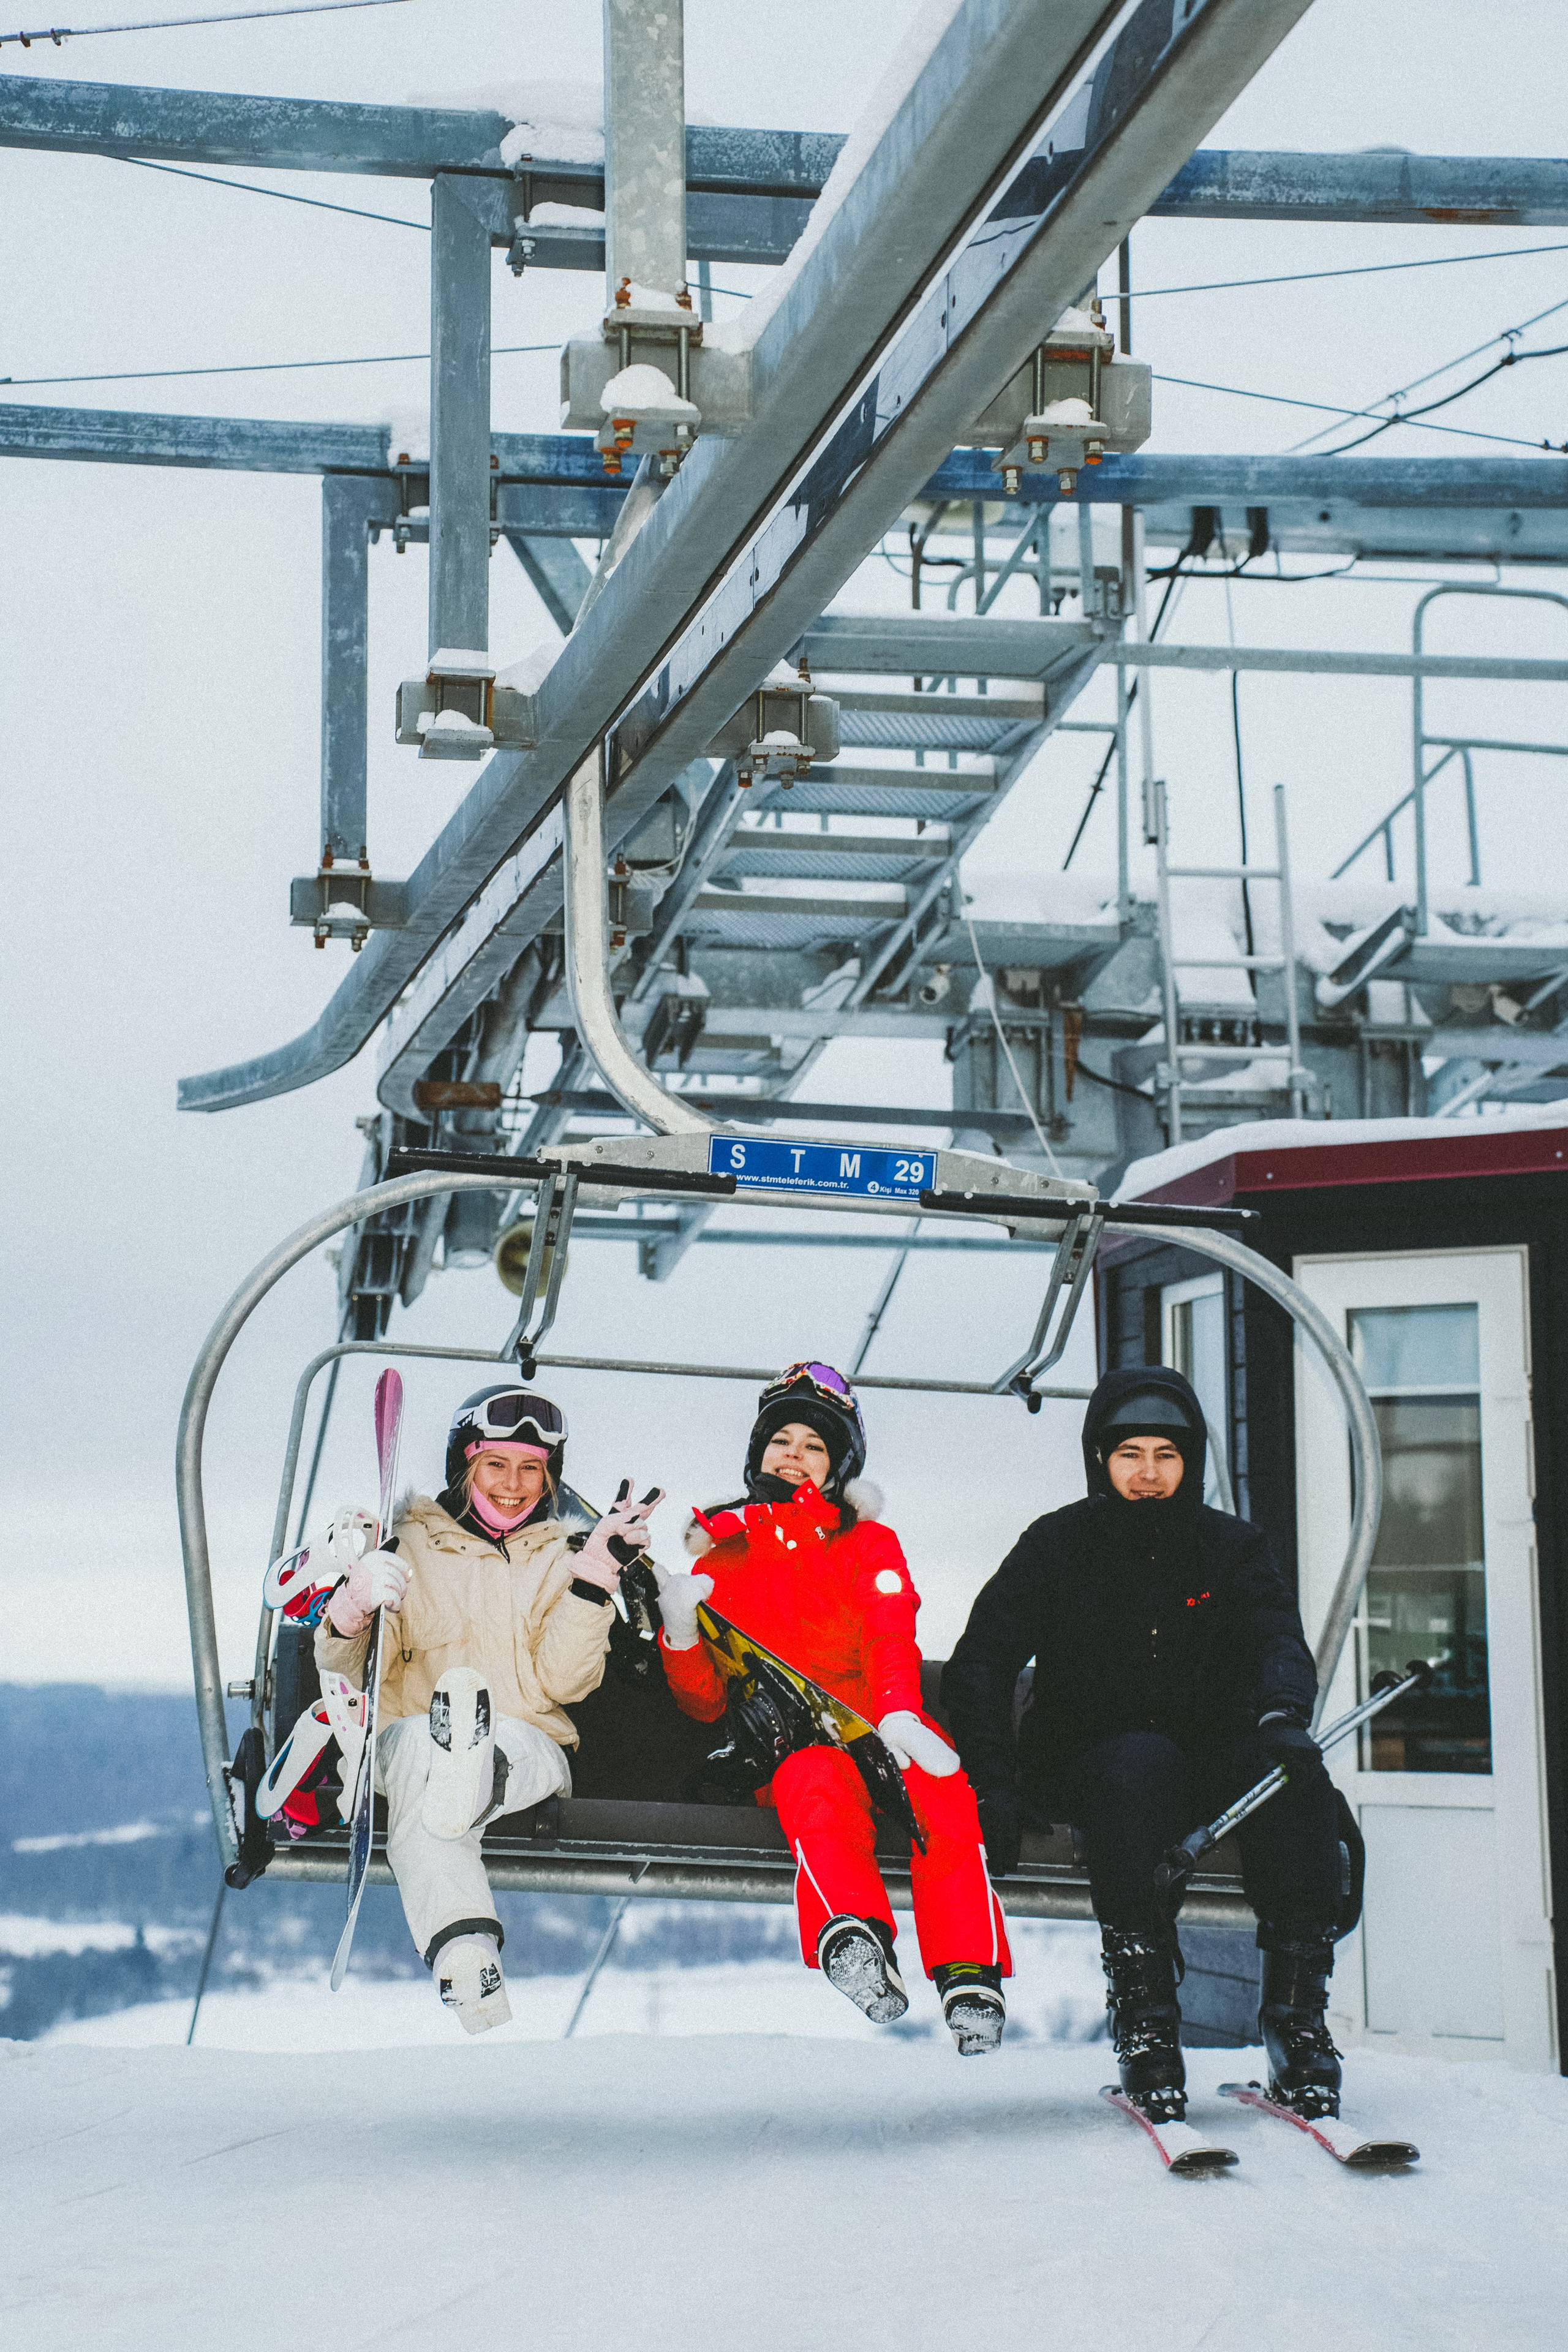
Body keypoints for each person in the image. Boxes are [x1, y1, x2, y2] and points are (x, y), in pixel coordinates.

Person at [942, 1366, 1346, 2122]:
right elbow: (980, 1666)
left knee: (1295, 1783)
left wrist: (1283, 1715)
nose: (1149, 1474)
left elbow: (1277, 1641)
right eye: (1130, 1455)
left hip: (1209, 1754)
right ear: (1100, 1458)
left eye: (1167, 1455)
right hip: (1089, 1757)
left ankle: (1295, 2023)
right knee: (1139, 1765)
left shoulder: (1231, 1547)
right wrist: (991, 1781)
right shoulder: (1058, 1543)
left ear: (1190, 1462)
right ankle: (1146, 2022)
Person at [651, 1362, 1011, 2054]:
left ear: (837, 1465)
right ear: (758, 1453)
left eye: (814, 1446)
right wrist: (680, 1634)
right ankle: (856, 1940)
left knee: (942, 1793)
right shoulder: (721, 1560)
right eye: (781, 1440)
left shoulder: (869, 1544)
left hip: (879, 1724)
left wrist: (899, 1712)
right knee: (812, 1783)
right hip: (794, 1744)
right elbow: (703, 1703)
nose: (794, 1455)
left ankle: (969, 1973)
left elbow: (888, 1632)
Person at [315, 1383, 660, 2033]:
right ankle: (458, 1770)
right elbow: (348, 1677)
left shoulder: (561, 1559)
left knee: (458, 1770)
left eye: (531, 1468)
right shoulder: (405, 1549)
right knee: (423, 1750)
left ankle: (465, 1955)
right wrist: (352, 1608)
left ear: (549, 1477)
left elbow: (565, 1684)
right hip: (405, 1740)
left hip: (524, 1747)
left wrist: (594, 1580)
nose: (513, 1484)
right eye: (496, 1464)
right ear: (465, 1466)